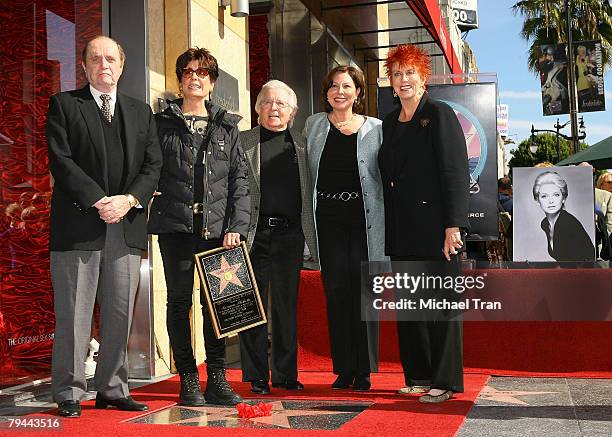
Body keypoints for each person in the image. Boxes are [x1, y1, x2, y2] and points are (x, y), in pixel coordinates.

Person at [46, 36, 162, 417]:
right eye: (95, 59)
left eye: (110, 58)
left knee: (119, 314)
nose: (103, 65)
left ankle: (112, 388)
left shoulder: (140, 111)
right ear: (84, 67)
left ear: (122, 65)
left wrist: (127, 201)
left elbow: (152, 166)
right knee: (74, 316)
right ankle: (68, 390)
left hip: (124, 226)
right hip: (79, 226)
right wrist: (100, 200)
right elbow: (62, 162)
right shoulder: (64, 106)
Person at [147, 47, 250, 406]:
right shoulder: (160, 123)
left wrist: (236, 226)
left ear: (212, 82)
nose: (195, 77)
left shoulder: (227, 126)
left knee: (216, 305)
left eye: (202, 73)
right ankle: (188, 378)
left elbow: (241, 179)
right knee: (178, 302)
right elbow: (147, 167)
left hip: (218, 231)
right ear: (180, 80)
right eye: (188, 72)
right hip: (175, 227)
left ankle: (218, 379)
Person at [378, 44, 469, 403]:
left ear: (423, 76)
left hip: (436, 229)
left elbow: (455, 172)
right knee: (411, 308)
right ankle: (418, 375)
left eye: (409, 72)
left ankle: (445, 381)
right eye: (397, 73)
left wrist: (453, 225)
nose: (403, 80)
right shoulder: (388, 122)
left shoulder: (439, 114)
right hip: (402, 229)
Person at [304, 65, 385, 391]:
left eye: (347, 86)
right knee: (336, 293)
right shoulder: (313, 125)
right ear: (326, 92)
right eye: (334, 86)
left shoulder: (376, 129)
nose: (340, 91)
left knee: (365, 293)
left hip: (364, 220)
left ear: (358, 93)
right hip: (328, 219)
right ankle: (344, 368)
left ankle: (363, 370)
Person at [238, 80, 317, 395]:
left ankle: (285, 373)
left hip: (290, 235)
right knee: (251, 307)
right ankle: (256, 375)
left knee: (286, 307)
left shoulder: (303, 144)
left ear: (293, 112)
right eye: (267, 102)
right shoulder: (241, 141)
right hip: (253, 236)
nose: (274, 108)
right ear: (257, 109)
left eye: (281, 104)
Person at [532, 171, 595, 262]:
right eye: (544, 196)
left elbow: (586, 257)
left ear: (563, 198)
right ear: (538, 200)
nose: (551, 201)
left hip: (579, 273)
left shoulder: (569, 222)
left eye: (556, 195)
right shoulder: (545, 224)